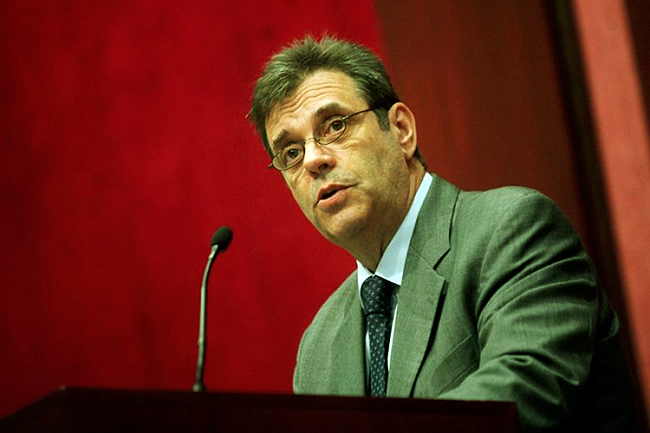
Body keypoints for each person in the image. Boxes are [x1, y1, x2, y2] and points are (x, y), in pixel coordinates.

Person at [249, 35, 636, 432]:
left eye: (335, 125)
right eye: (291, 153)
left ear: (401, 130)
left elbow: (520, 393)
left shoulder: (511, 229)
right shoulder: (318, 348)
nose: (313, 159)